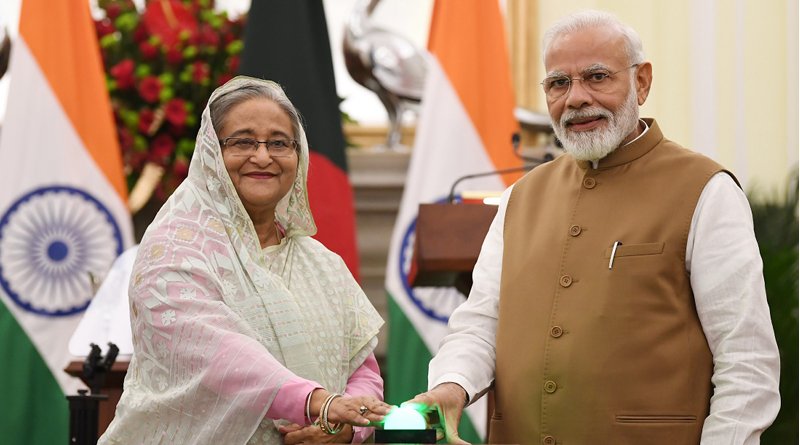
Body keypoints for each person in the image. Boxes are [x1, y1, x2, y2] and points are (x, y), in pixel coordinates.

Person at [408, 10, 781, 445]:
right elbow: (480, 325)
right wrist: (452, 385)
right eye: (558, 83)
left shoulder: (706, 191)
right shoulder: (519, 198)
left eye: (597, 77)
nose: (576, 98)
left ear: (641, 82)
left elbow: (747, 361)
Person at [99, 76, 390, 445]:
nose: (263, 156)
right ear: (211, 154)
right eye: (243, 142)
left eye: (280, 143)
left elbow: (363, 369)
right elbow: (219, 356)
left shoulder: (322, 263)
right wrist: (316, 402)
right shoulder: (174, 248)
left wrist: (348, 428)